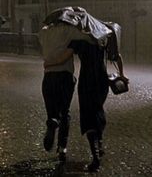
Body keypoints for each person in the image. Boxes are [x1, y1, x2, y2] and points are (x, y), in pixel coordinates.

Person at [44, 38, 128, 172]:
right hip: (102, 79)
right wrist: (122, 75)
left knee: (89, 117)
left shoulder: (80, 39)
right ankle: (99, 145)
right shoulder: (104, 36)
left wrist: (50, 64)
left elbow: (64, 57)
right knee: (98, 111)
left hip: (86, 81)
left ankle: (95, 157)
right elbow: (117, 56)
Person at [39, 21, 93, 162]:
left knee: (51, 111)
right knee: (65, 112)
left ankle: (52, 122)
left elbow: (41, 44)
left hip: (48, 75)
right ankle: (62, 147)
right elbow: (88, 38)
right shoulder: (69, 30)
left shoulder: (44, 31)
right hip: (65, 76)